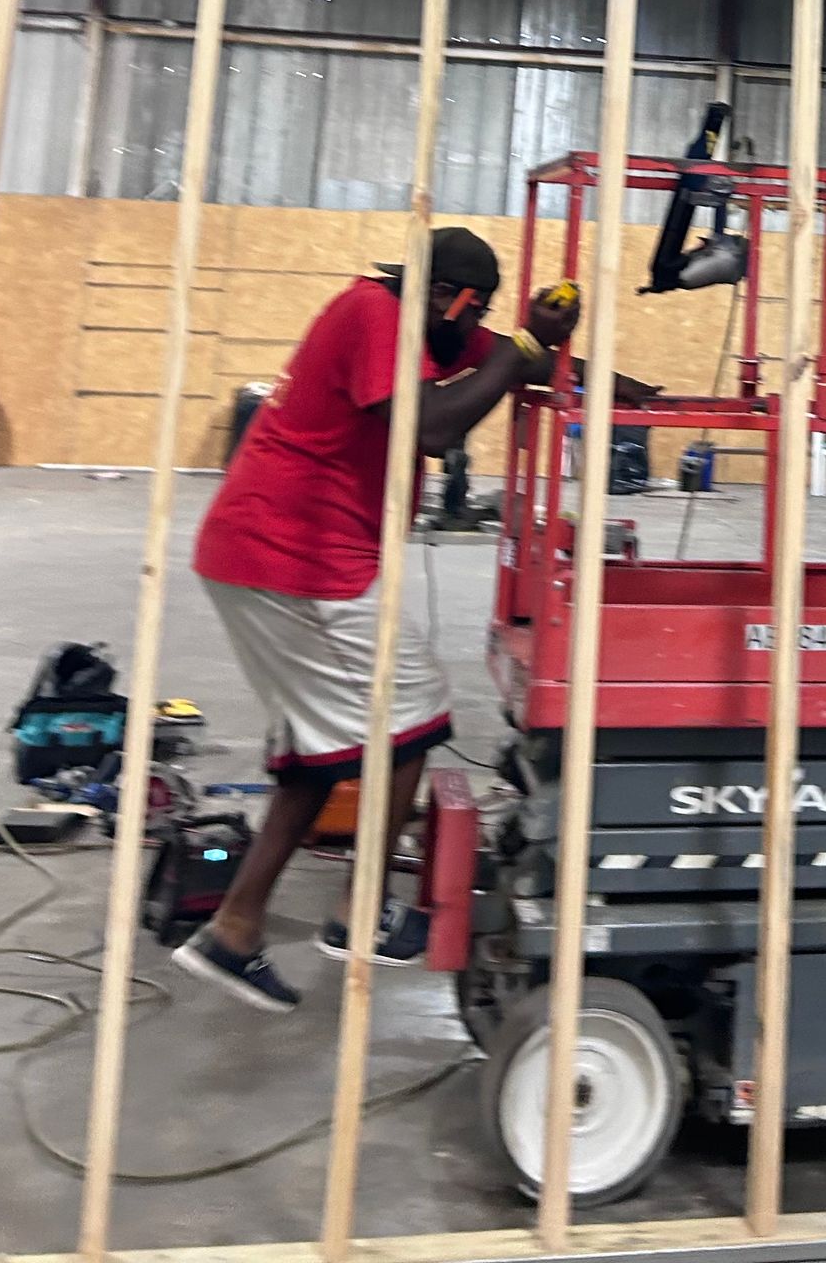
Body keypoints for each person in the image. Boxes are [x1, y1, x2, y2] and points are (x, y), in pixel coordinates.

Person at [177, 226, 579, 1012]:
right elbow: (432, 428)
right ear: (448, 298)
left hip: (276, 558)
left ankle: (235, 929)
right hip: (295, 560)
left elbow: (501, 357)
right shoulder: (376, 315)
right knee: (416, 716)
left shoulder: (415, 325)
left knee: (314, 757)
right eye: (477, 311)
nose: (476, 327)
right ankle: (358, 914)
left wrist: (584, 371)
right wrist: (522, 342)